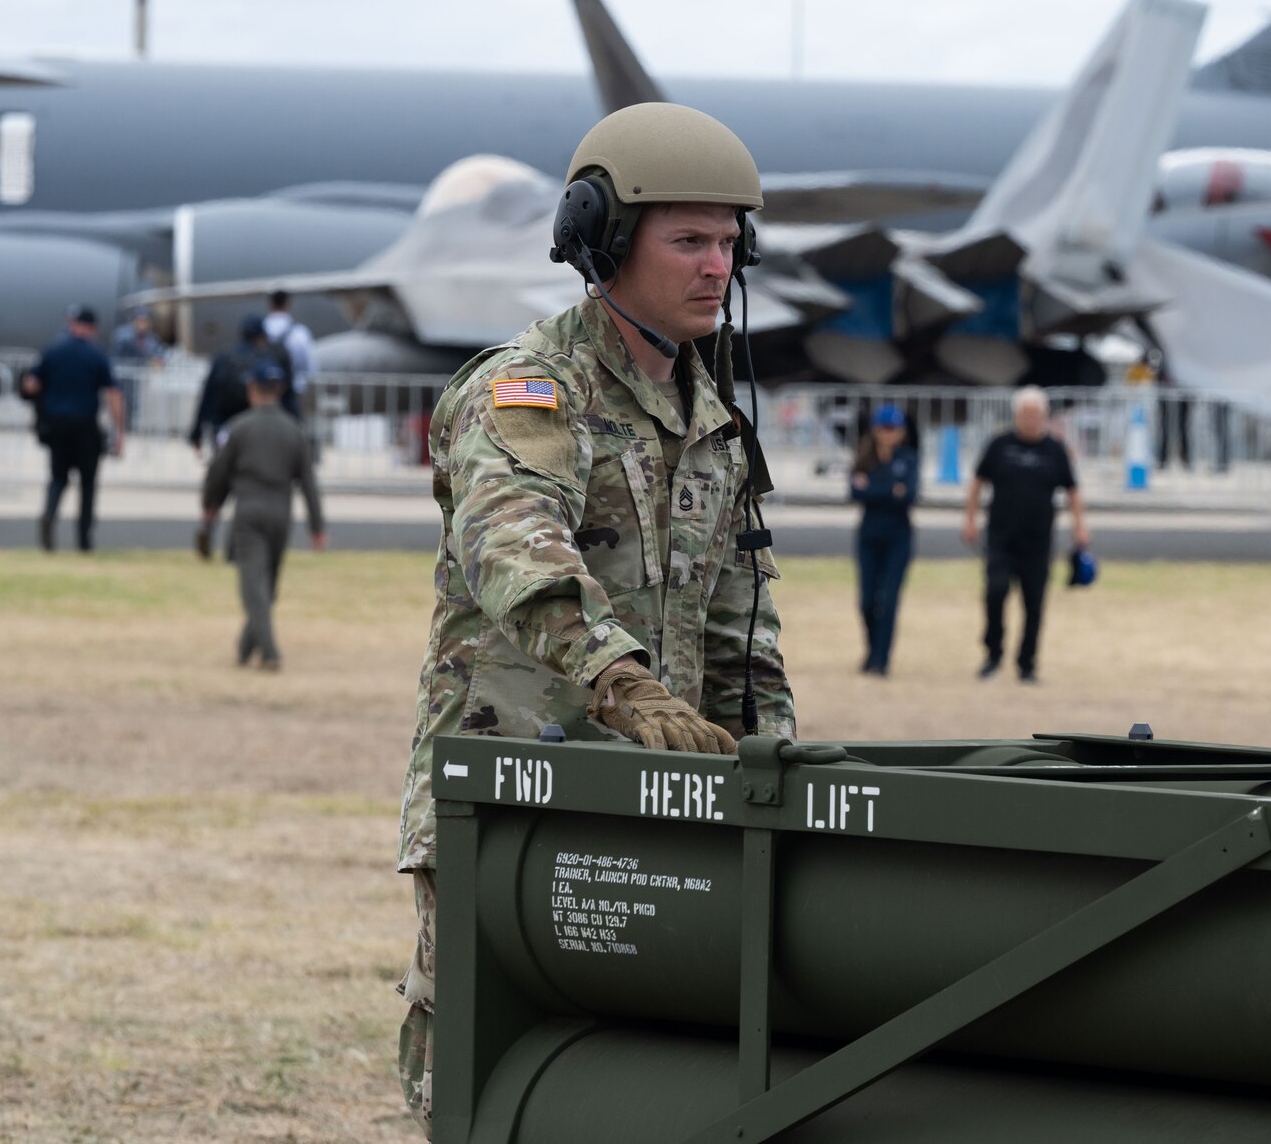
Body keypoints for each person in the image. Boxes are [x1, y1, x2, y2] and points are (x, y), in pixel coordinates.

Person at [392, 102, 796, 1136]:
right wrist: (626, 685)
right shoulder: (530, 392)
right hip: (513, 791)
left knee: (628, 1080)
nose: (720, 264)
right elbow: (516, 549)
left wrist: (776, 765)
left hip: (655, 799)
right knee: (487, 1079)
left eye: (729, 240)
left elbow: (736, 631)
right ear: (604, 240)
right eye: (689, 239)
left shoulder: (711, 417)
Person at [199, 360, 326, 670]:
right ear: (280, 390)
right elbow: (308, 482)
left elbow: (219, 473)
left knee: (253, 587)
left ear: (251, 389)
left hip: (248, 510)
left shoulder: (238, 428)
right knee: (266, 588)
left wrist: (209, 507)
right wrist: (316, 526)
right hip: (282, 512)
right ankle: (244, 650)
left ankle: (269, 653)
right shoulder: (293, 431)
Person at [962, 386, 1091, 683]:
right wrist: (969, 520)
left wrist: (1080, 526)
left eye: (1036, 415)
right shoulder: (1000, 445)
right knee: (995, 591)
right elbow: (976, 483)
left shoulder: (1055, 449)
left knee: (1034, 602)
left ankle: (1027, 663)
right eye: (1025, 414)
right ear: (1016, 415)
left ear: (1045, 417)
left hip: (1038, 540)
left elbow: (1073, 490)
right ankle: (993, 653)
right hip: (1001, 536)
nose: (1031, 420)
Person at [20, 305, 125, 552]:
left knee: (58, 478)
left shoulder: (53, 350)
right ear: (92, 328)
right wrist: (119, 430)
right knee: (88, 482)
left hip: (56, 425)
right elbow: (113, 394)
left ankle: (49, 515)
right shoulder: (96, 355)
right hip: (85, 425)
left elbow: (31, 384)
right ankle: (84, 538)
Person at [850, 403, 918, 676]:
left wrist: (874, 489)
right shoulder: (865, 458)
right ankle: (871, 648)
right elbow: (855, 493)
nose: (890, 434)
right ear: (875, 430)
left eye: (895, 429)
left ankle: (882, 659)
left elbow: (909, 495)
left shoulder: (909, 458)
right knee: (867, 600)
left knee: (888, 600)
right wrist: (890, 490)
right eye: (885, 428)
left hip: (898, 538)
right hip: (869, 536)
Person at [190, 314, 290, 453]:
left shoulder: (223, 358)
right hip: (259, 432)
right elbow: (286, 396)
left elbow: (207, 396)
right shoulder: (266, 361)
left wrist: (196, 433)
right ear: (261, 336)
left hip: (224, 429)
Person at [262, 289, 316, 418]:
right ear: (288, 305)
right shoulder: (300, 333)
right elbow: (311, 368)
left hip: (262, 395)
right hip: (292, 395)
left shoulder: (260, 333)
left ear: (270, 305)